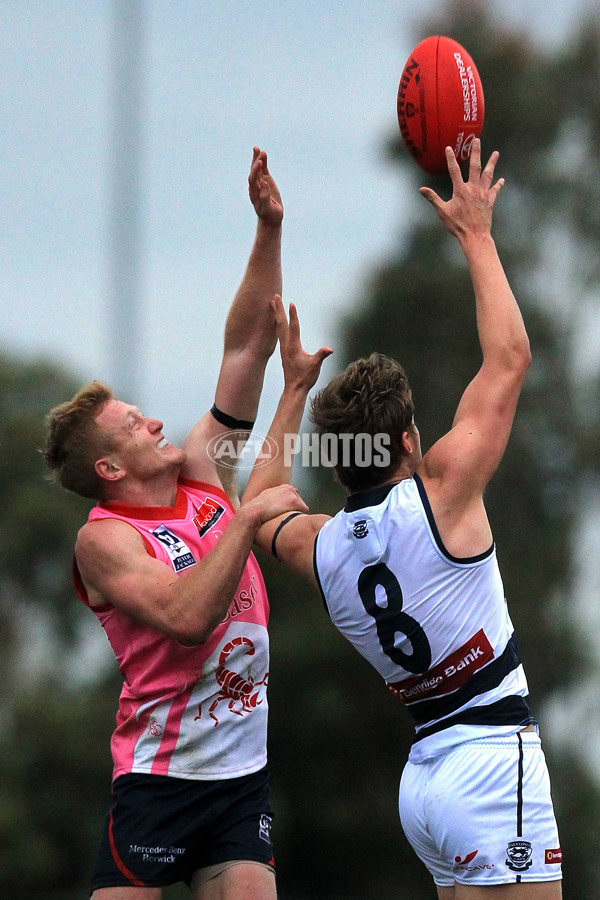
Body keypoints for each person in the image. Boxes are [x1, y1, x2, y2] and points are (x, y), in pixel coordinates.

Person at [244, 140, 562, 899]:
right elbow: (510, 358)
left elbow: (257, 512)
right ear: (411, 441)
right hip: (491, 763)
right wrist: (477, 236)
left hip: (424, 782)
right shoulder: (443, 489)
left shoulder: (320, 548)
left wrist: (289, 395)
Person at [43, 148, 312, 900]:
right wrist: (250, 511)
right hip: (160, 783)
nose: (156, 419)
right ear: (109, 470)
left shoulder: (200, 471)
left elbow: (246, 346)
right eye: (134, 424)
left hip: (239, 780)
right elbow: (189, 618)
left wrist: (267, 229)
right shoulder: (103, 541)